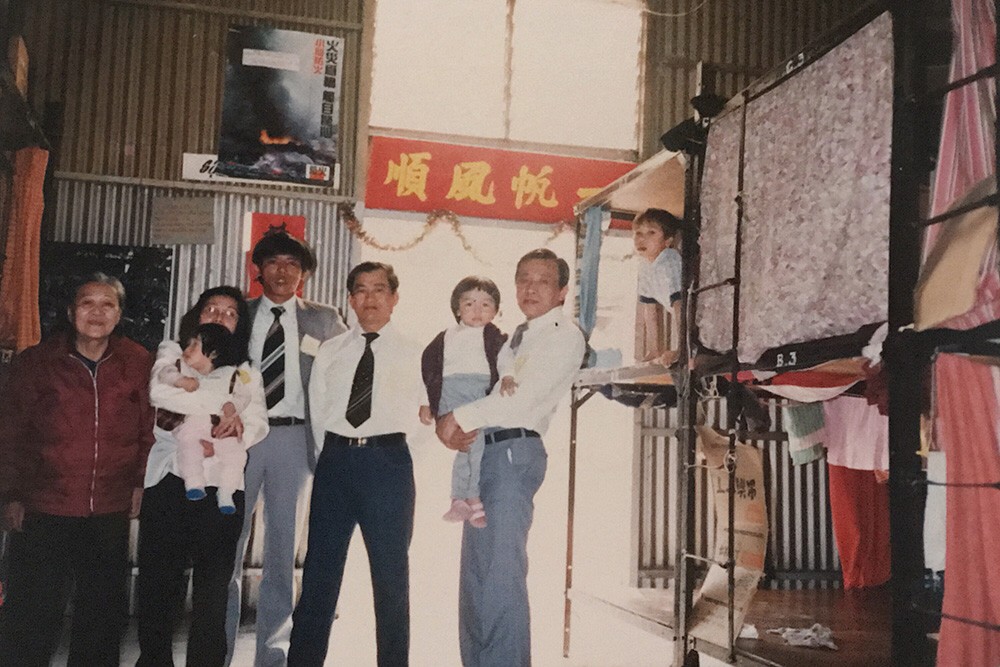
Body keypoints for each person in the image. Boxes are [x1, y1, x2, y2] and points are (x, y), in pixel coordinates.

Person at [436, 248, 586, 667]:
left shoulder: (563, 335)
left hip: (513, 451)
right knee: (477, 573)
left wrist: (457, 417)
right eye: (523, 279)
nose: (531, 287)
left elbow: (520, 401)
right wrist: (451, 420)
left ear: (561, 291)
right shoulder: (516, 335)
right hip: (488, 449)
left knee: (501, 573)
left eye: (542, 280)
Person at [0, 273, 154, 667]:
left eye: (108, 304)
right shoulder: (36, 362)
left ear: (120, 313)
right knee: (31, 616)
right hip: (44, 506)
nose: (97, 312)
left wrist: (139, 481)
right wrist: (12, 494)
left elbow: (148, 429)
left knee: (101, 618)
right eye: (88, 303)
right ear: (71, 312)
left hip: (108, 508)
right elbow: (11, 432)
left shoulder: (138, 362)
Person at [288, 261, 425, 667]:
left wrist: (395, 455)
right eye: (361, 291)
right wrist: (334, 454)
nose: (370, 299)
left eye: (379, 290)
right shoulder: (332, 350)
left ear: (394, 298)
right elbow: (318, 410)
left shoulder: (417, 352)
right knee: (319, 574)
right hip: (336, 463)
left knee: (391, 580)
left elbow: (425, 417)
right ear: (350, 300)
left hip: (389, 465)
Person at [226, 229, 346, 667]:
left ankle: (272, 656)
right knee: (227, 547)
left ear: (304, 274)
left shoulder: (326, 319)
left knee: (281, 552)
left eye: (292, 264)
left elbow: (349, 374)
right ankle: (214, 649)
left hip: (295, 440)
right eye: (273, 262)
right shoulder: (239, 313)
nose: (283, 271)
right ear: (258, 270)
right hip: (238, 441)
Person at [136, 286, 269, 667]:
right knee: (159, 585)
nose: (220, 316)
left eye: (230, 312)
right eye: (212, 309)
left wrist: (239, 425)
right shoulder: (172, 354)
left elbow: (258, 422)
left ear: (239, 325)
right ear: (197, 315)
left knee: (212, 592)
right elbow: (161, 395)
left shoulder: (247, 373)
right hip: (168, 479)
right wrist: (224, 412)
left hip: (222, 489)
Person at [419, 276, 509, 528]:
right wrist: (425, 401)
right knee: (469, 443)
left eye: (486, 305)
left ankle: (461, 497)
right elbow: (426, 367)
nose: (477, 311)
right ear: (457, 308)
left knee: (471, 445)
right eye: (469, 304)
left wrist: (508, 376)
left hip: (479, 391)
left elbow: (506, 363)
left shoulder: (497, 338)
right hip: (452, 390)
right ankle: (470, 497)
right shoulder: (446, 336)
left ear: (496, 310)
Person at [150, 322, 253, 513]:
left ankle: (226, 491)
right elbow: (165, 373)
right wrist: (180, 381)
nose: (186, 350)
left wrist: (234, 406)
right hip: (193, 424)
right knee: (189, 446)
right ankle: (194, 483)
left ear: (212, 353)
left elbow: (244, 395)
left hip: (220, 428)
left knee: (237, 454)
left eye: (194, 345)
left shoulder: (230, 375)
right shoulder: (181, 367)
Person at [631, 208, 683, 362]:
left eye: (651, 233)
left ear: (668, 241)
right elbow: (650, 309)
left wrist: (681, 350)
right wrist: (654, 349)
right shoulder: (645, 264)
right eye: (638, 233)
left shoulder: (670, 261)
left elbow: (680, 305)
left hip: (697, 314)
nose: (642, 239)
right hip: (683, 314)